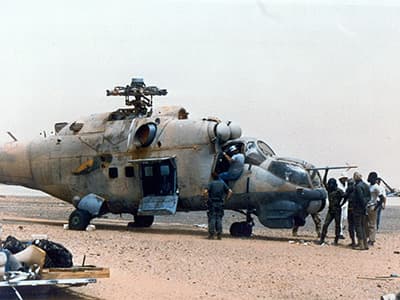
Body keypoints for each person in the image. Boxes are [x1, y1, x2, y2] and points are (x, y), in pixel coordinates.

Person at [203, 172, 232, 240]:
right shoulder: (222, 184)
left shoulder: (211, 183)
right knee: (219, 218)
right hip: (220, 203)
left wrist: (206, 198)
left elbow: (205, 191)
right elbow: (230, 191)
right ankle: (219, 234)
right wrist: (226, 199)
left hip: (212, 203)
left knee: (212, 218)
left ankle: (211, 234)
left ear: (212, 177)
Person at [319, 177, 345, 245]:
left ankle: (336, 240)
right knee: (325, 224)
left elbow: (345, 196)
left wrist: (342, 204)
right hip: (330, 210)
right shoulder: (329, 190)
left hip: (337, 210)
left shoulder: (339, 191)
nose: (330, 185)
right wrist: (326, 172)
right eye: (329, 184)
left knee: (337, 225)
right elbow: (323, 182)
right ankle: (322, 239)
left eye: (331, 184)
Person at [352, 172, 370, 250]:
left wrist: (361, 205)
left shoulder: (357, 187)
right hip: (364, 207)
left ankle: (361, 244)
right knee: (363, 226)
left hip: (358, 208)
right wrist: (365, 205)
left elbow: (360, 198)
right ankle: (365, 244)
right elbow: (369, 197)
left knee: (358, 226)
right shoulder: (366, 185)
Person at [366, 172, 379, 246]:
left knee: (372, 224)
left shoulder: (376, 187)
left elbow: (381, 198)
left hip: (372, 206)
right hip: (368, 206)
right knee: (366, 223)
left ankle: (372, 240)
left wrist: (376, 207)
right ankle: (368, 238)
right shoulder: (369, 186)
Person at [344, 179, 356, 247]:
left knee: (354, 227)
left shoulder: (355, 191)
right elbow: (345, 198)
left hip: (354, 210)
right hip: (350, 210)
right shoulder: (349, 191)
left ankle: (356, 241)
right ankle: (353, 241)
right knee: (351, 227)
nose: (349, 186)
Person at [337, 173, 348, 239]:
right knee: (340, 219)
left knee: (345, 217)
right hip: (340, 203)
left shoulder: (346, 184)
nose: (345, 180)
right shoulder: (338, 184)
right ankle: (340, 233)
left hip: (346, 203)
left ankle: (342, 229)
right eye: (344, 178)